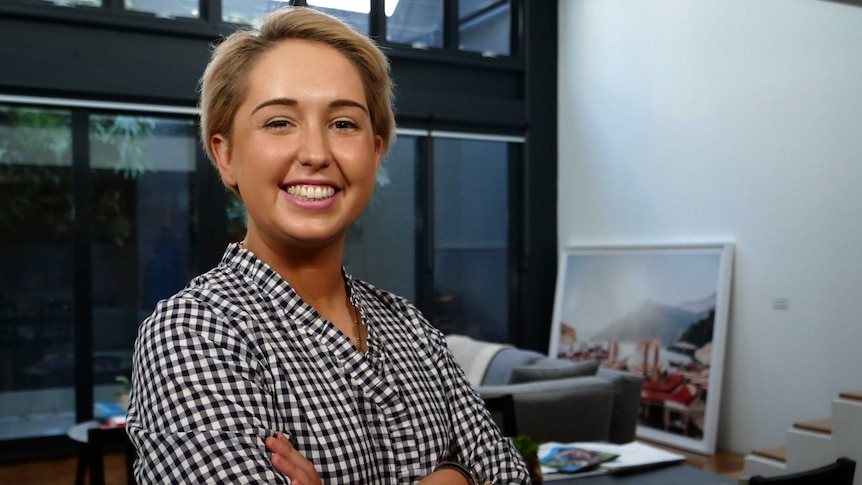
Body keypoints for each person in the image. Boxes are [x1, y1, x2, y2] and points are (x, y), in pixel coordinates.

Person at [125, 7, 530, 484]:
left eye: (344, 124)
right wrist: (455, 478)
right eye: (279, 122)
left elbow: (511, 475)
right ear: (226, 154)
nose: (316, 153)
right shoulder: (194, 332)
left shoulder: (409, 327)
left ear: (376, 152)